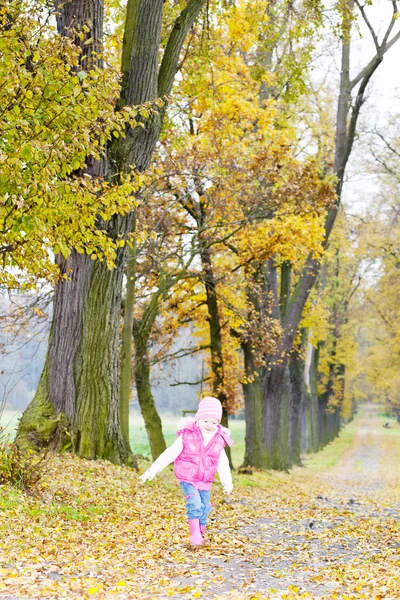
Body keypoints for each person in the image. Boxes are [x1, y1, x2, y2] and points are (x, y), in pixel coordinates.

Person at [139, 396, 234, 546]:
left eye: (214, 422)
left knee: (204, 507)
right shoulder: (187, 434)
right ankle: (195, 535)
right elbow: (170, 453)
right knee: (195, 503)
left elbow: (222, 462)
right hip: (187, 477)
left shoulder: (219, 439)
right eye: (206, 421)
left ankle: (201, 533)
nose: (209, 425)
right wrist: (153, 470)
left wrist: (226, 482)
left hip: (205, 480)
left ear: (218, 423)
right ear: (198, 418)